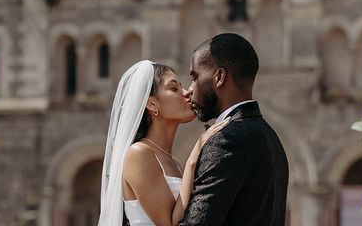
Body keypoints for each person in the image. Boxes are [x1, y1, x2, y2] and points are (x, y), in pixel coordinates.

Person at [97, 60, 227, 226]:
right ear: (151, 103)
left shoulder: (175, 163)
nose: (187, 92)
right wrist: (194, 158)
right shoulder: (139, 154)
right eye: (174, 88)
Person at [180, 33, 289, 226]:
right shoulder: (271, 137)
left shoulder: (227, 140)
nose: (190, 90)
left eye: (195, 77)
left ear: (219, 77)